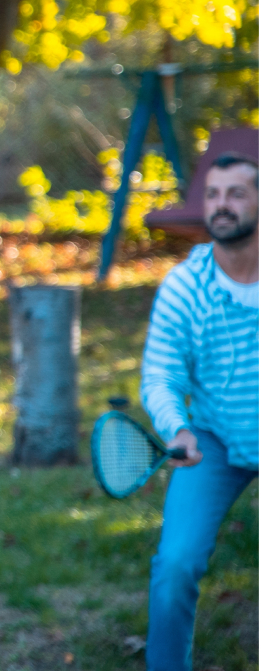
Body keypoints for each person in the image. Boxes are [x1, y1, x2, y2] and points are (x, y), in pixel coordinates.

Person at [140, 151, 258, 671]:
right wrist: (177, 428)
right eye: (212, 195)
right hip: (213, 438)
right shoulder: (185, 286)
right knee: (176, 566)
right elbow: (162, 374)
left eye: (236, 193)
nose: (221, 205)